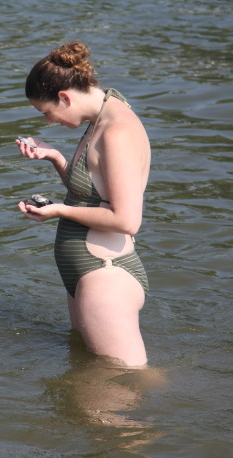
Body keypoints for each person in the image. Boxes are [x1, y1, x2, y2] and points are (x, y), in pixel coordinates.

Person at [15, 41, 151, 367]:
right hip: (88, 276)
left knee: (122, 383)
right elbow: (94, 194)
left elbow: (126, 219)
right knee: (91, 383)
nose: (48, 121)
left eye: (46, 112)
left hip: (106, 279)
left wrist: (58, 210)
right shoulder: (102, 116)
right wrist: (56, 157)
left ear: (65, 97)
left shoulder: (116, 131)